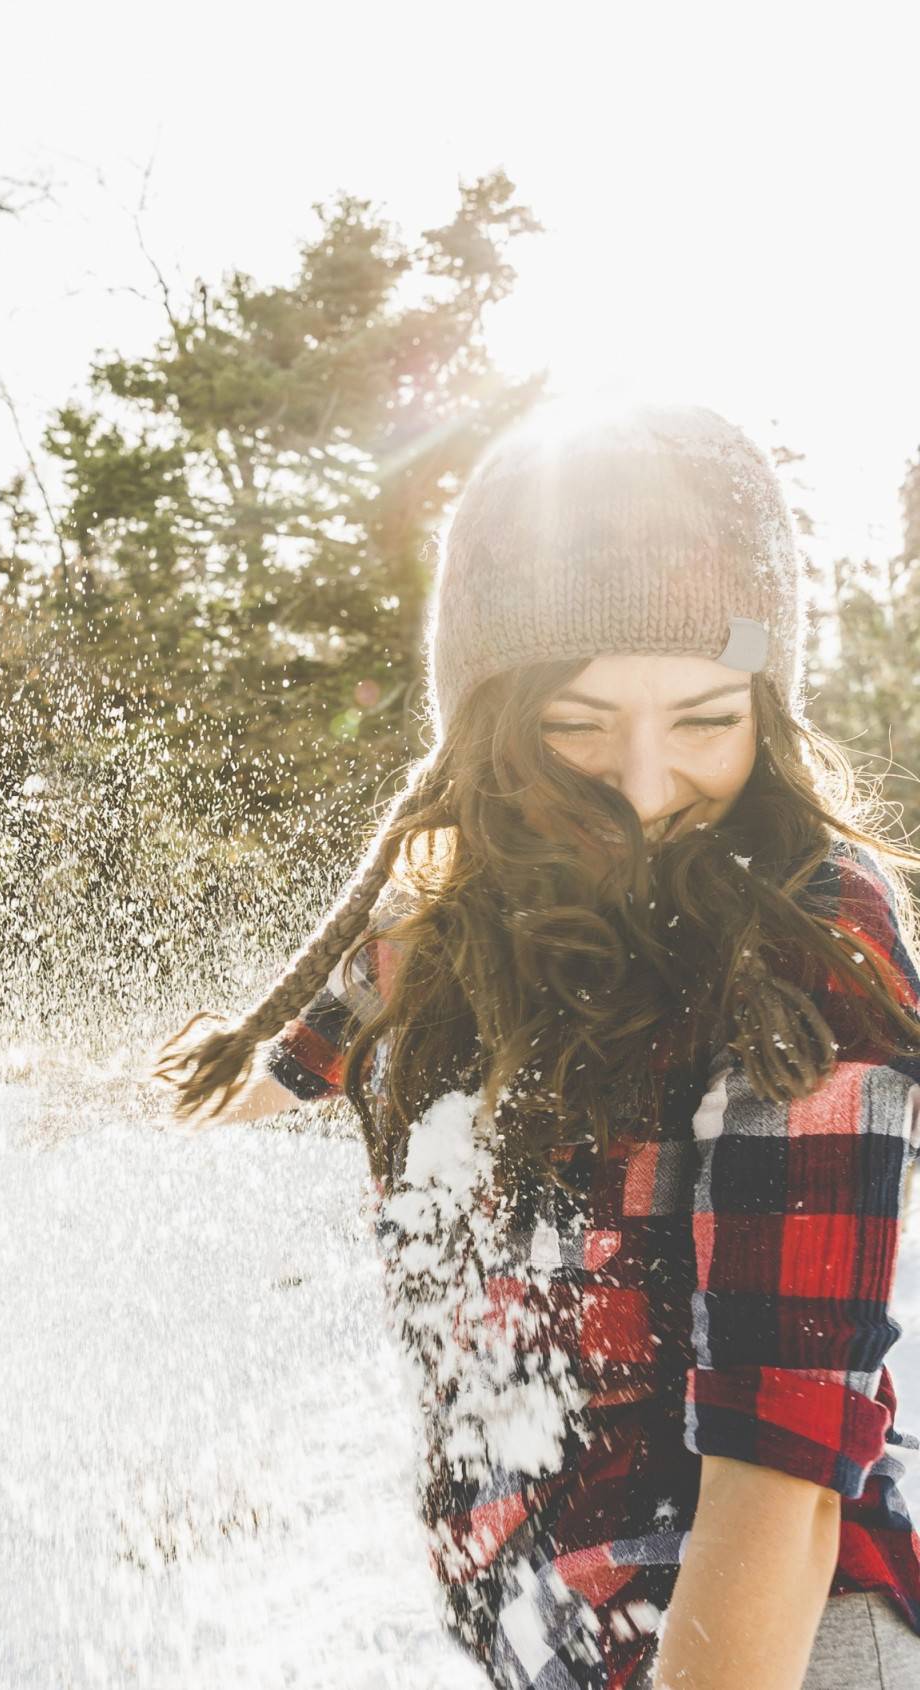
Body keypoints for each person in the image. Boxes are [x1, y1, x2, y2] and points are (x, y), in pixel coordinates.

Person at [158, 401, 920, 1690]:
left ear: (765, 704)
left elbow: (781, 1476)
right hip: (549, 1634)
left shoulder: (803, 938)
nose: (640, 783)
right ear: (493, 721)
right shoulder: (452, 931)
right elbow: (276, 1068)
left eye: (704, 719)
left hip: (762, 1645)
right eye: (575, 725)